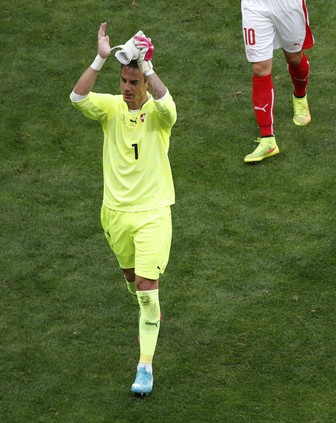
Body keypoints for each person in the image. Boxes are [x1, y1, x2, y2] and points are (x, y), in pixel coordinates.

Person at [70, 23, 177, 396]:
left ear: (144, 83)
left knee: (148, 288)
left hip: (152, 214)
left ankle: (144, 366)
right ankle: (149, 313)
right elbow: (78, 97)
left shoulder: (160, 118)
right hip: (114, 213)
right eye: (124, 82)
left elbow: (167, 105)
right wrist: (100, 56)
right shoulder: (111, 109)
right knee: (134, 283)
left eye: (134, 82)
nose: (127, 89)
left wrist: (147, 67)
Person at [241, 0, 314, 163]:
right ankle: (268, 139)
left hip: (287, 5)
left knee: (294, 57)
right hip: (255, 5)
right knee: (260, 68)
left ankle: (300, 97)